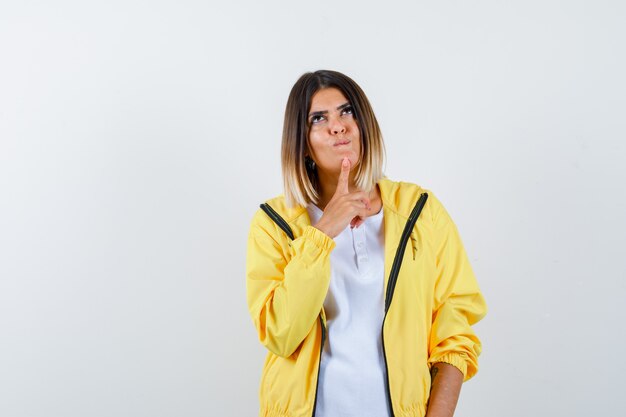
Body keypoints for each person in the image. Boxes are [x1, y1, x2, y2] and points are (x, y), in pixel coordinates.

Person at [245, 70, 487, 417]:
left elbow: (455, 327)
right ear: (303, 142)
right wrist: (324, 231)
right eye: (319, 118)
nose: (338, 126)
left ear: (364, 125)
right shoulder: (273, 224)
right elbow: (281, 334)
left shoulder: (419, 210)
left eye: (347, 111)